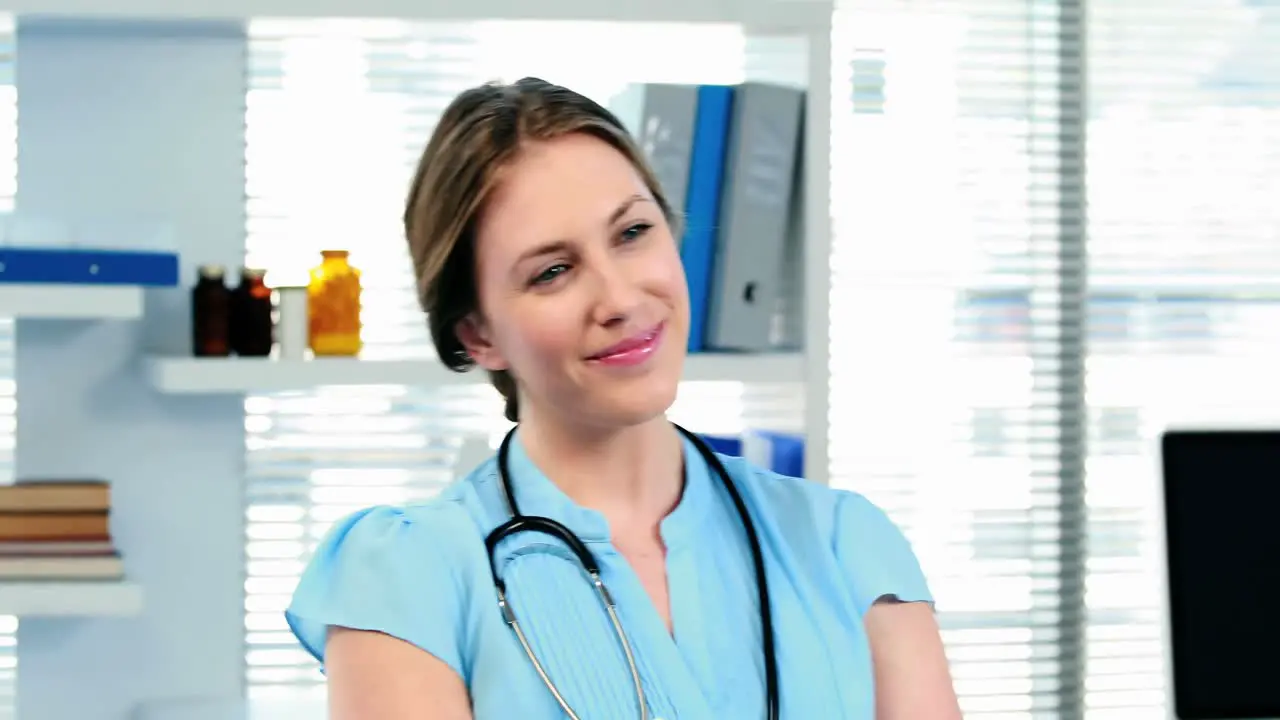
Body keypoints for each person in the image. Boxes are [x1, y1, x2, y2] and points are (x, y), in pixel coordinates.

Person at [285, 77, 961, 720]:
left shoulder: (842, 546)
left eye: (633, 233)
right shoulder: (409, 576)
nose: (620, 299)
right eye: (553, 272)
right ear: (478, 334)